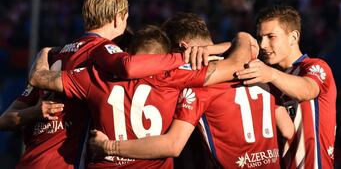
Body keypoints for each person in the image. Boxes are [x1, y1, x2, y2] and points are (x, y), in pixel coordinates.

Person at [0, 0, 185, 169]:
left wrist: (35, 112)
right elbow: (130, 67)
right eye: (126, 19)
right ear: (117, 18)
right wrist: (183, 58)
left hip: (29, 160)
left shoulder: (56, 55)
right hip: (63, 161)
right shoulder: (103, 52)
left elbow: (5, 119)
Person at [29, 24, 254, 168]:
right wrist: (240, 36)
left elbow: (38, 78)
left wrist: (44, 52)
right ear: (165, 56)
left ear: (128, 54)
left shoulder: (96, 77)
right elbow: (237, 62)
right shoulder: (174, 76)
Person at [88, 13, 295, 169]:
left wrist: (109, 147)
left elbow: (173, 144)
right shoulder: (256, 68)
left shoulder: (197, 86)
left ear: (183, 47)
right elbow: (287, 130)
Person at [236, 5, 337, 169]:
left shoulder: (315, 67)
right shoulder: (268, 78)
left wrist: (271, 75)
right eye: (260, 37)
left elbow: (307, 90)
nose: (263, 44)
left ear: (293, 37)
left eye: (271, 37)